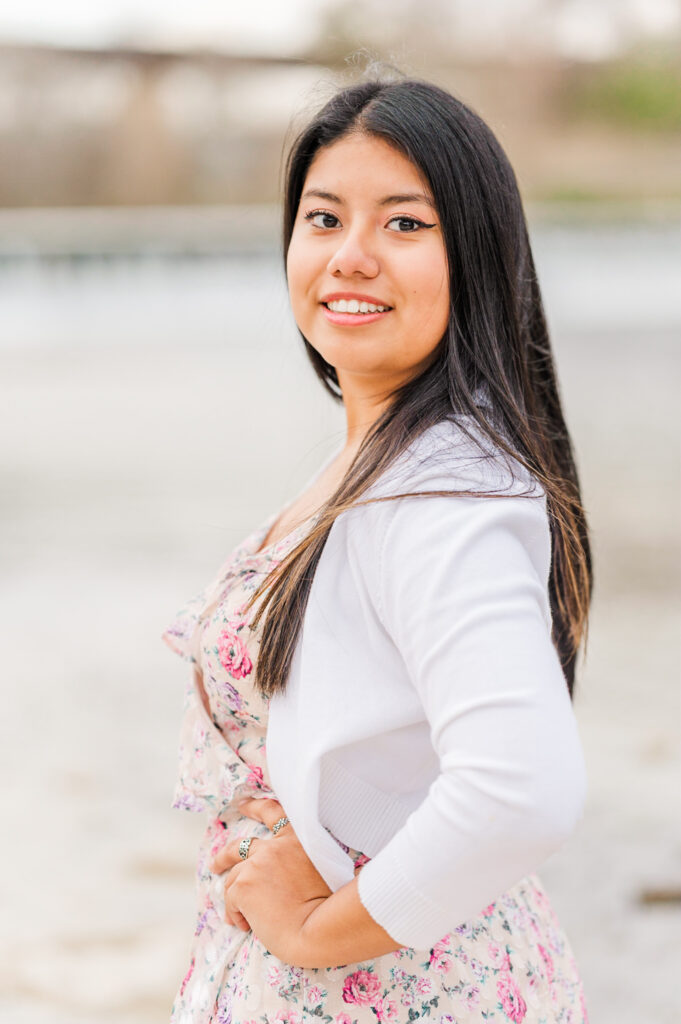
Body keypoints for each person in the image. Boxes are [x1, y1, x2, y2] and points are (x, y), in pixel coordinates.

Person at [162, 71, 593, 1024]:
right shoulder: (388, 457)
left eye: (404, 224)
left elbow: (522, 789)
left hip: (393, 986)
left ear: (476, 256)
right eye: (323, 219)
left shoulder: (445, 491)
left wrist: (321, 933)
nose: (350, 256)